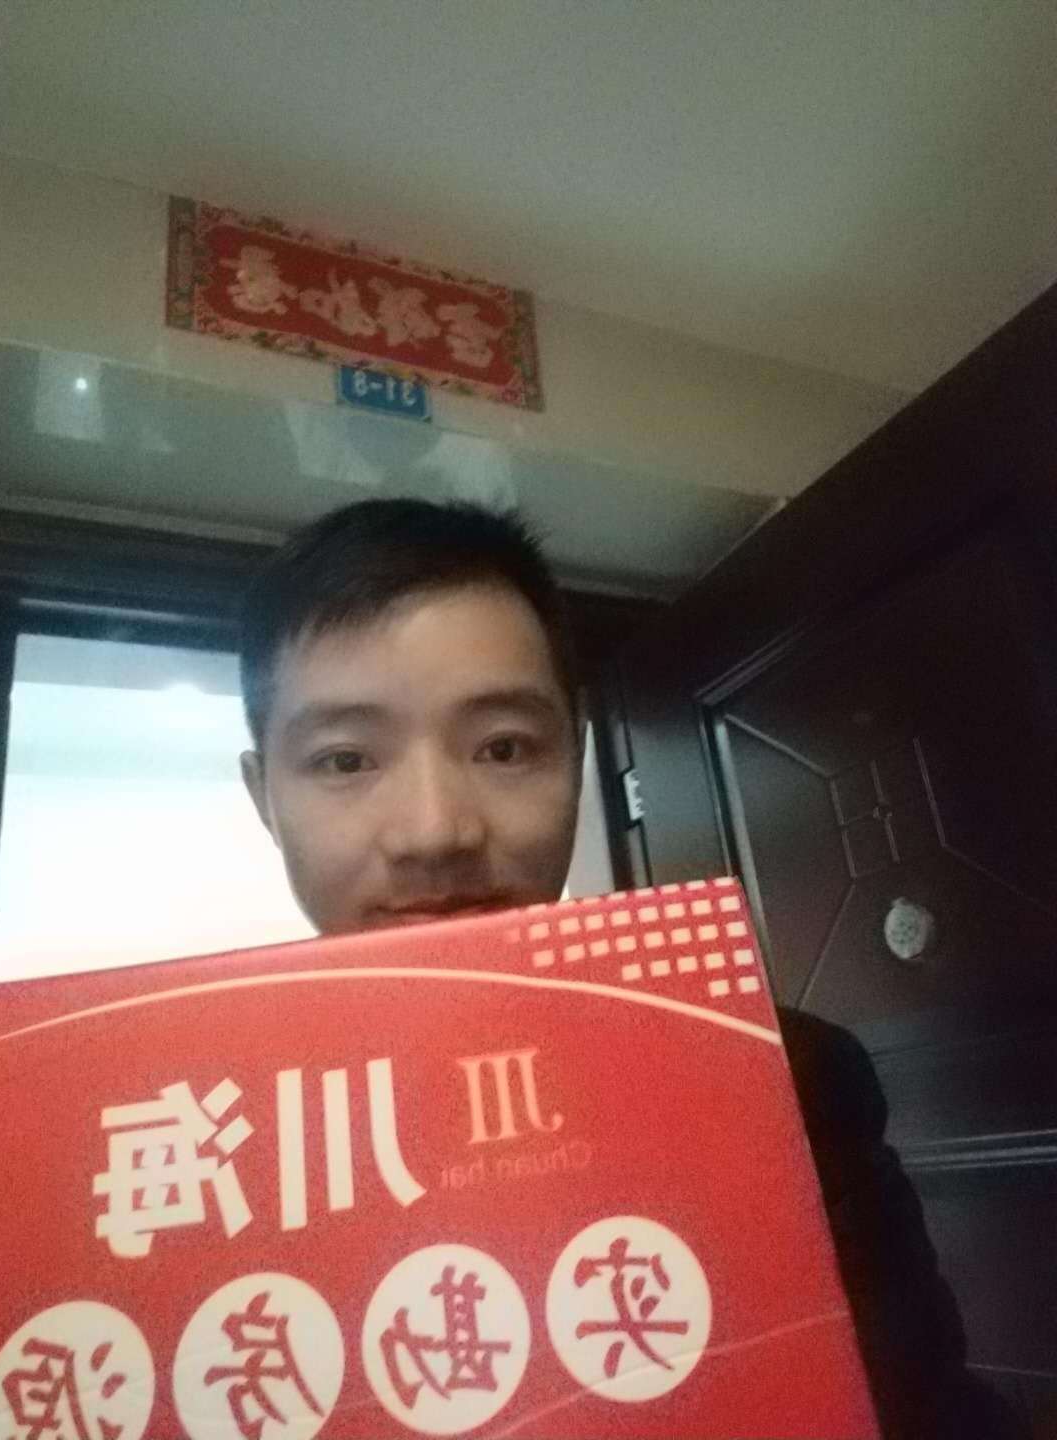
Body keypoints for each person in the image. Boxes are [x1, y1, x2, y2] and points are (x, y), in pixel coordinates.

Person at [239, 497, 1023, 1439]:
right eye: (345, 760)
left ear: (575, 755)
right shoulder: (187, 1138)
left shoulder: (781, 1077)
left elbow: (931, 1408)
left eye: (503, 747)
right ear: (263, 796)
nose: (435, 831)